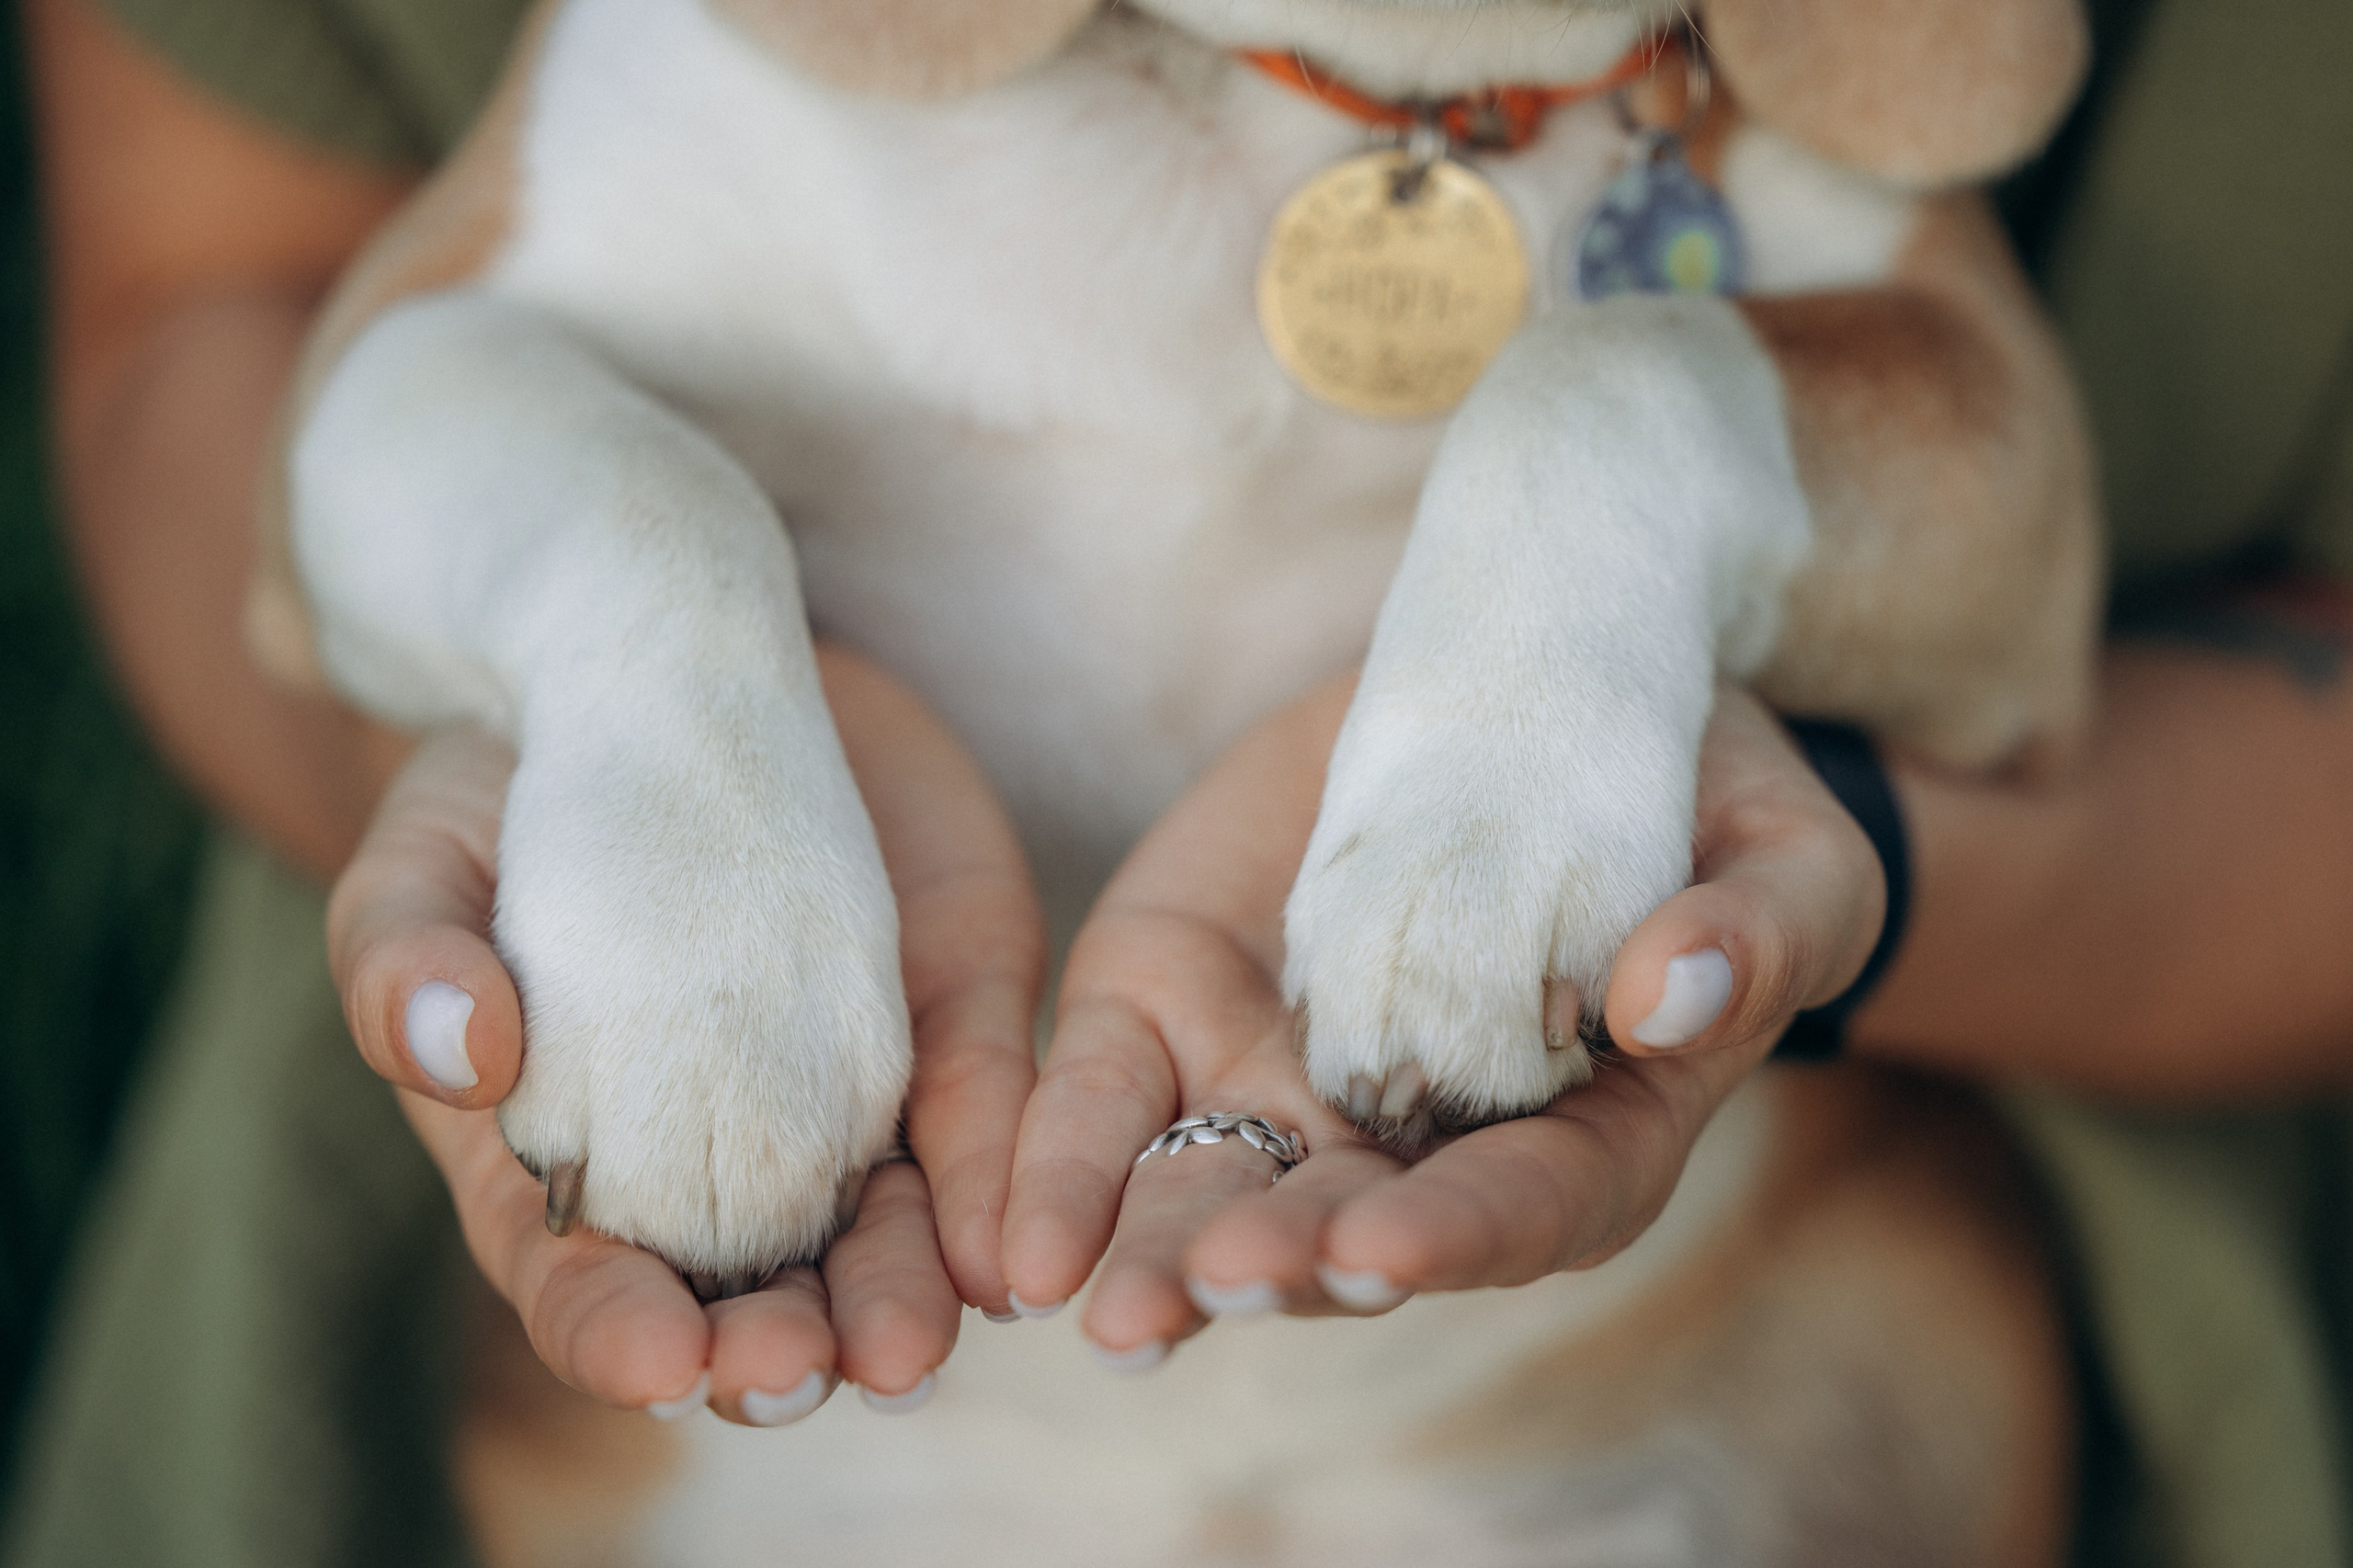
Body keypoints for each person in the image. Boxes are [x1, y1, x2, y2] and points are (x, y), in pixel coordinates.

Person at [6, 0, 2350, 1562]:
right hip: (768, 1469)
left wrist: (1639, 456)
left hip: (1697, 1405)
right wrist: (628, 650)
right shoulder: (718, 80)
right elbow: (367, 396)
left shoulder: (1741, 124)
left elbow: (1996, 528)